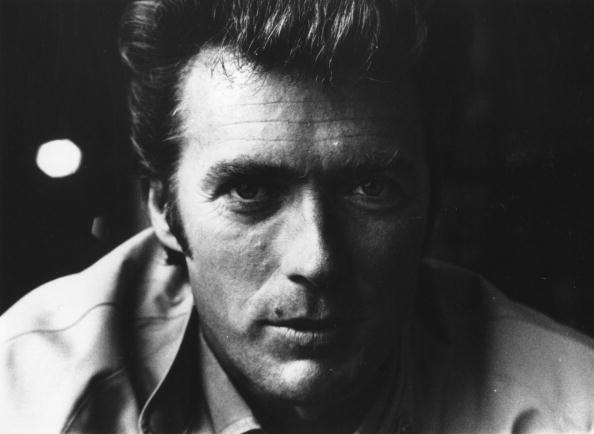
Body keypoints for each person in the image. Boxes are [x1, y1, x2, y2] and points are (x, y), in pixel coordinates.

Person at [1, 1, 594, 433]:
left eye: (372, 188)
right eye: (250, 190)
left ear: (431, 201)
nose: (318, 260)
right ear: (163, 208)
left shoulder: (571, 411)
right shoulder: (26, 397)